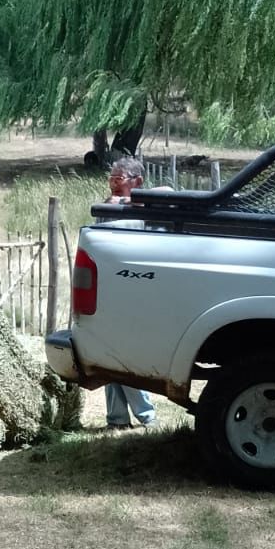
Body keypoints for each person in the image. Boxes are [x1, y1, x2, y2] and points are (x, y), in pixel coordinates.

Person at [102, 156, 159, 432]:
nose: (114, 184)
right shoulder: (106, 207)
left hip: (136, 288)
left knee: (125, 353)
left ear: (138, 182)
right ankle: (117, 417)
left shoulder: (150, 205)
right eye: (111, 178)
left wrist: (126, 202)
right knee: (106, 353)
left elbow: (166, 194)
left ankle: (145, 414)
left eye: (119, 179)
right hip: (108, 288)